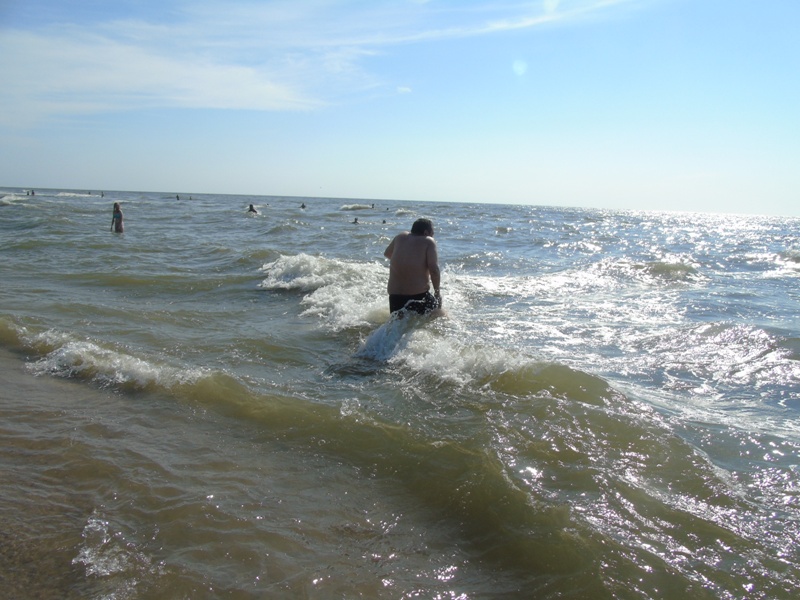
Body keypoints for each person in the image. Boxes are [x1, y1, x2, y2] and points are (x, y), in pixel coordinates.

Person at [383, 218, 441, 315]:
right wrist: (437, 293)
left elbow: (387, 254)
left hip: (394, 297)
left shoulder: (400, 237)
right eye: (432, 232)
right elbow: (434, 270)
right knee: (440, 315)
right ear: (426, 232)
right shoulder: (429, 241)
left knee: (397, 325)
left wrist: (406, 263)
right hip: (418, 296)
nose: (433, 235)